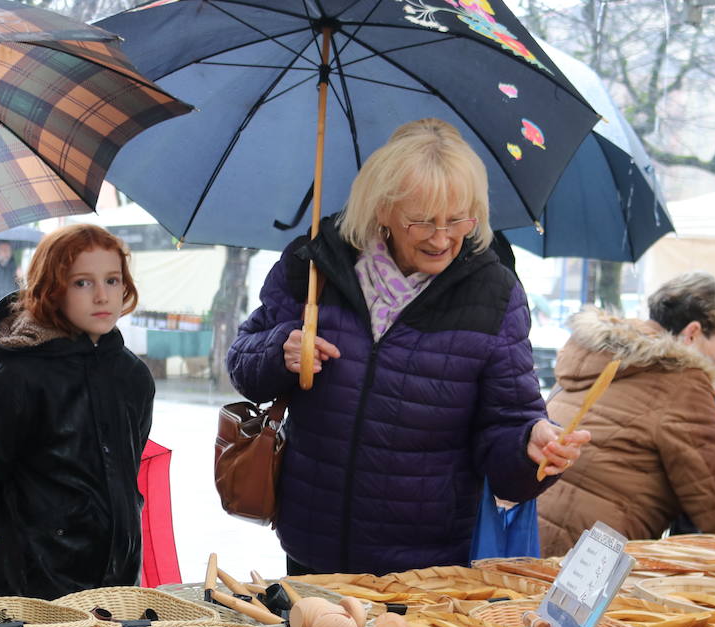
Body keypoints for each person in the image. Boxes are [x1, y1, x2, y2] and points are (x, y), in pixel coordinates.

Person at [227, 118, 587, 575]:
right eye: (423, 221)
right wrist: (280, 350)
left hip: (425, 566)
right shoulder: (314, 266)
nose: (442, 238)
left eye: (458, 219)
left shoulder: (495, 295)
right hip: (311, 547)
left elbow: (507, 425)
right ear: (383, 210)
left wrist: (530, 449)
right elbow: (242, 362)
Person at [0, 224, 154, 599]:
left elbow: (126, 466)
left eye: (113, 280)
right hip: (34, 583)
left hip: (117, 577)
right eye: (82, 283)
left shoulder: (133, 376)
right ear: (51, 288)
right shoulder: (15, 377)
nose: (103, 295)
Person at [537, 273, 715, 552]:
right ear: (692, 333)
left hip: (528, 531)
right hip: (587, 558)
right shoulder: (681, 380)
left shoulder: (595, 354)